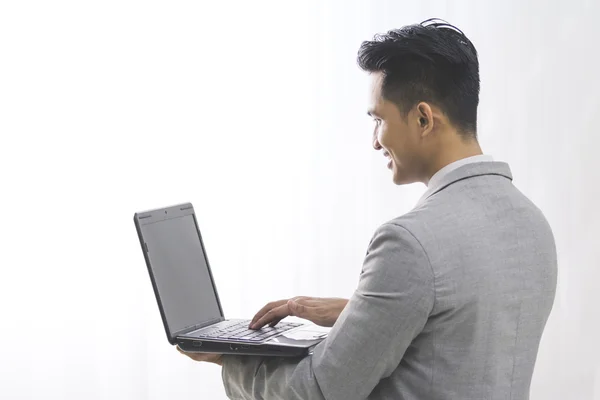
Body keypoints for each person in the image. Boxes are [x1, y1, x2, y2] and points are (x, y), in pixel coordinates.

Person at [178, 18, 557, 400]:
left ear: (424, 118)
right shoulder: (531, 223)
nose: (376, 142)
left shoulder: (410, 242)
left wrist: (231, 360)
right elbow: (462, 335)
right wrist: (356, 314)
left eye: (378, 119)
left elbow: (318, 392)